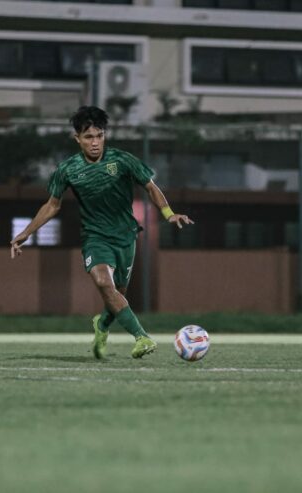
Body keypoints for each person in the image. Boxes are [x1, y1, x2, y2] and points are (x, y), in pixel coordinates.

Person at [11, 106, 193, 359]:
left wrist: (168, 214)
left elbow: (150, 187)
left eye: (99, 136)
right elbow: (52, 205)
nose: (95, 142)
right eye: (88, 137)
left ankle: (102, 325)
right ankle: (142, 337)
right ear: (77, 139)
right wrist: (26, 232)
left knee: (116, 296)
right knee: (103, 282)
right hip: (95, 237)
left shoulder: (122, 160)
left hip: (126, 236)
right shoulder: (67, 170)